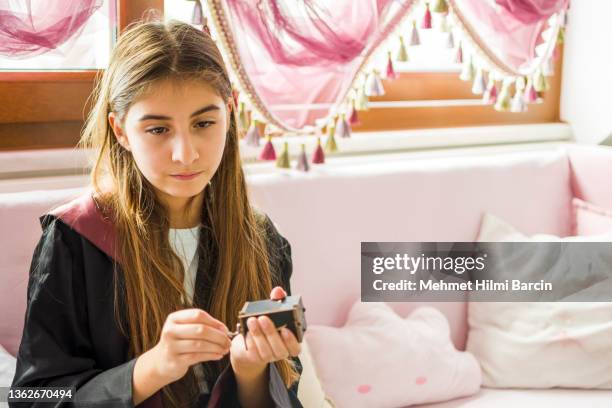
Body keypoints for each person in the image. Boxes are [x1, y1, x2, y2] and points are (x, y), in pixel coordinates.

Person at [11, 19, 302, 408]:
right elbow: (34, 399)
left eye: (203, 123)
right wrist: (153, 367)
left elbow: (284, 393)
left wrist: (249, 371)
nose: (186, 154)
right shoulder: (74, 239)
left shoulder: (262, 240)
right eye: (158, 130)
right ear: (121, 131)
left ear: (230, 113)